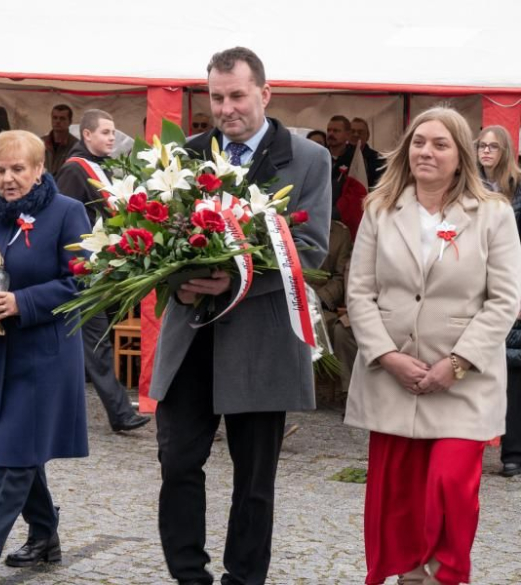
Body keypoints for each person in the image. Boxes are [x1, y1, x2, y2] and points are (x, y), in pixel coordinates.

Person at [150, 47, 331, 585]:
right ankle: (189, 575)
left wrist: (237, 280)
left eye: (237, 96)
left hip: (262, 340)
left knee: (254, 479)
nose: (226, 108)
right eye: (216, 97)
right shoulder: (184, 156)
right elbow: (155, 244)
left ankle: (243, 579)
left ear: (264, 94)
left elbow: (310, 250)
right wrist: (176, 281)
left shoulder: (307, 159)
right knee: (177, 462)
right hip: (191, 336)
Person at [345, 107, 521, 585]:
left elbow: (505, 300)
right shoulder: (380, 209)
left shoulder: (493, 213)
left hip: (464, 382)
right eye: (419, 142)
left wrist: (458, 362)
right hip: (393, 378)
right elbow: (359, 292)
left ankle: (445, 575)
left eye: (440, 144)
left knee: (450, 485)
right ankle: (410, 576)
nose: (427, 151)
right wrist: (387, 356)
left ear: (461, 155)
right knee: (399, 496)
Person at [0, 130, 90, 585]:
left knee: (13, 449)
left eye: (18, 169)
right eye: (1, 170)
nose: (8, 179)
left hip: (43, 353)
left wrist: (22, 302)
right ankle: (44, 534)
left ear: (39, 169)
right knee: (19, 447)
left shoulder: (67, 212)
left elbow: (83, 281)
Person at [56, 109, 151, 432]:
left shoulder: (98, 166)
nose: (112, 138)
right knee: (96, 342)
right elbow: (63, 220)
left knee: (89, 342)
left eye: (113, 132)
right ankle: (120, 412)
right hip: (82, 270)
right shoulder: (75, 169)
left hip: (100, 268)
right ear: (87, 135)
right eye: (106, 132)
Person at [475, 124, 521, 478]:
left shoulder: (517, 189)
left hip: (512, 285)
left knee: (513, 369)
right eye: (482, 145)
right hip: (475, 286)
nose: (486, 151)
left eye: (493, 146)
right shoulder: (468, 186)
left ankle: (513, 451)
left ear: (505, 151)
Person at [42, 104, 78, 175]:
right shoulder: (40, 143)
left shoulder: (76, 146)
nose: (58, 121)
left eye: (62, 118)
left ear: (70, 121)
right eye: (55, 118)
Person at [350, 117, 383, 187]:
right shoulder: (340, 156)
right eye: (352, 131)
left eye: (360, 132)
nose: (356, 135)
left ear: (367, 136)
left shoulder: (379, 160)